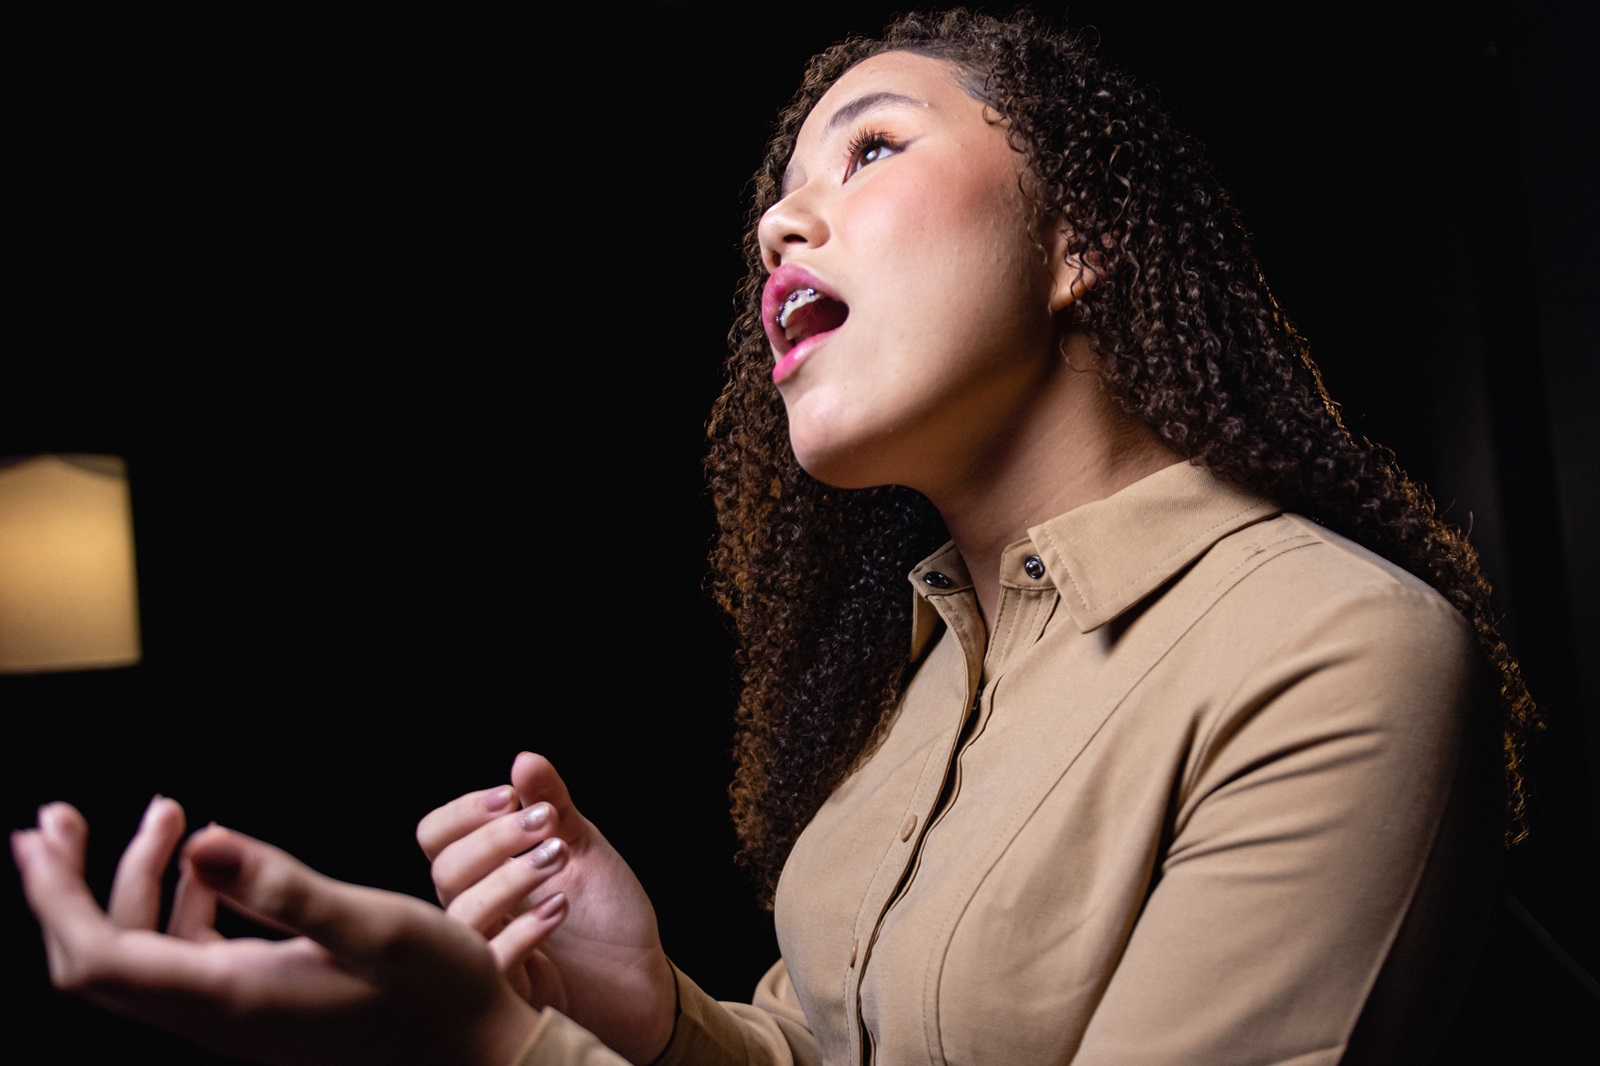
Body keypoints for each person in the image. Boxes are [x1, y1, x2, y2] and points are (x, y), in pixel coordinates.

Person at [15, 8, 1535, 1064]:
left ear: (1081, 239)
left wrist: (488, 1040)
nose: (779, 227)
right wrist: (666, 1015)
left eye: (870, 151)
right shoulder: (925, 677)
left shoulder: (1334, 651)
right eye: (778, 198)